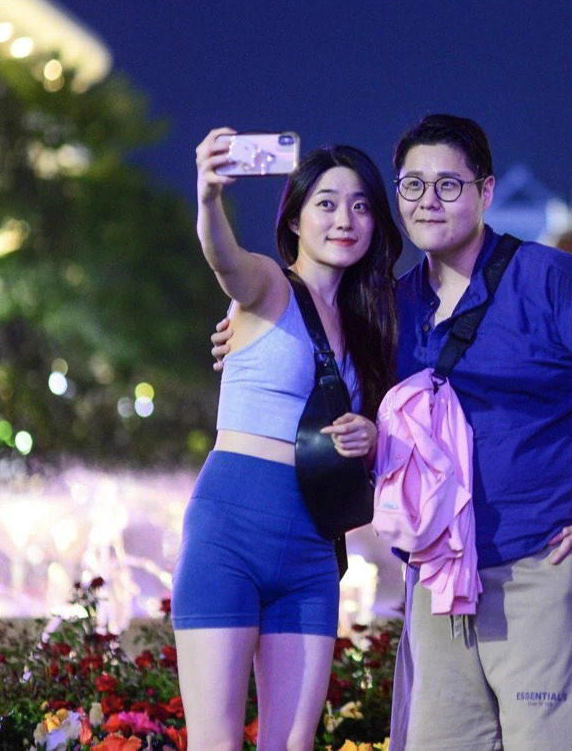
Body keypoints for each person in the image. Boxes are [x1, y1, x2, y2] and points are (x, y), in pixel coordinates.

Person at [213, 114, 572, 751]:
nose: (428, 202)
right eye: (411, 186)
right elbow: (314, 342)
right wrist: (242, 328)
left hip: (536, 569)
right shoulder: (394, 305)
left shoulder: (548, 281)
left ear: (485, 192)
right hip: (436, 578)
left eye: (448, 186)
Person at [179, 128, 402, 751]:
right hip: (230, 539)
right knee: (216, 743)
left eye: (360, 205)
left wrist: (373, 435)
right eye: (326, 203)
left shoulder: (370, 324)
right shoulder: (268, 286)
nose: (345, 219)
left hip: (311, 555)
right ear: (296, 218)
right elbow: (224, 259)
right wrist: (208, 199)